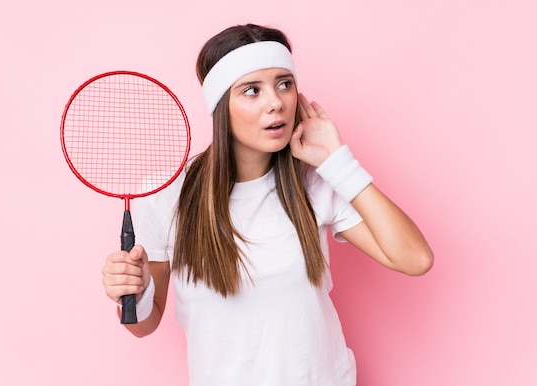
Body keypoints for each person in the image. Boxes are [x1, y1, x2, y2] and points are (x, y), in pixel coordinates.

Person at [102, 24, 433, 385]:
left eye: (284, 83)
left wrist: (338, 160)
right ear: (220, 106)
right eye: (252, 90)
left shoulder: (316, 180)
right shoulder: (170, 195)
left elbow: (415, 259)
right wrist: (135, 292)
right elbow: (144, 324)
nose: (276, 102)